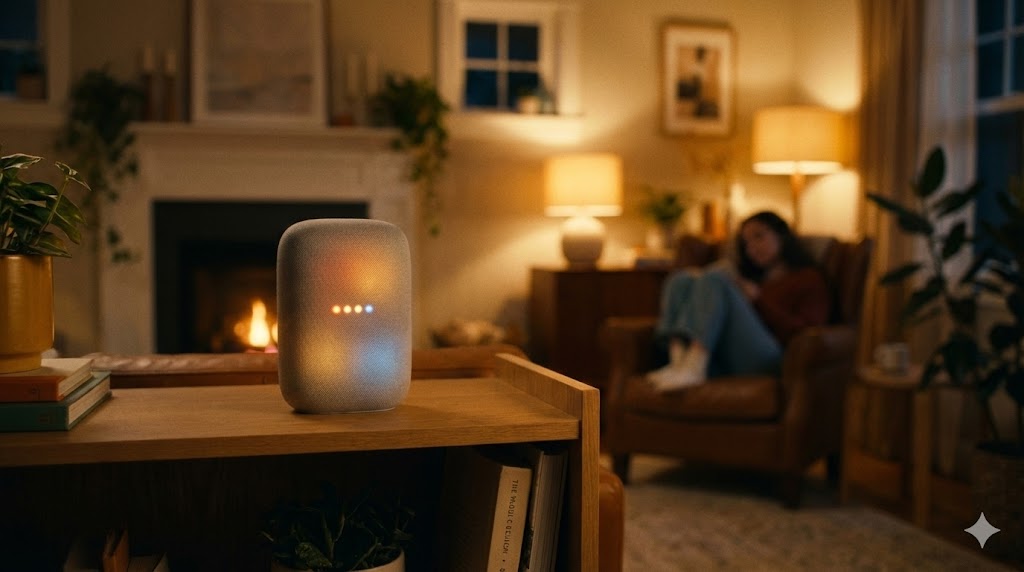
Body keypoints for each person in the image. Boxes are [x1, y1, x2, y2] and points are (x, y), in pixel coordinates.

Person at [647, 210, 831, 391]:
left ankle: (695, 364)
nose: (752, 248)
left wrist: (757, 301)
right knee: (681, 280)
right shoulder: (752, 278)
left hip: (772, 357)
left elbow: (806, 332)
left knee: (715, 278)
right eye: (746, 243)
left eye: (759, 237)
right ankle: (678, 362)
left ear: (781, 235)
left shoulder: (808, 278)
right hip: (729, 356)